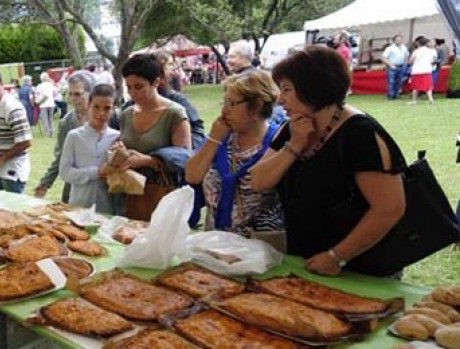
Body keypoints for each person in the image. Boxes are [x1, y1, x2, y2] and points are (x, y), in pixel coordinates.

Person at [251, 45, 406, 276]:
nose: (280, 100)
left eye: (287, 90)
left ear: (313, 88)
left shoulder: (360, 134)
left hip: (360, 266)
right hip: (306, 260)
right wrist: (293, 146)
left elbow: (389, 209)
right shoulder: (291, 128)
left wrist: (337, 256)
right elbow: (257, 181)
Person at [185, 71, 284, 234]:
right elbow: (192, 176)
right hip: (214, 242)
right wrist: (214, 139)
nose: (225, 111)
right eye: (224, 103)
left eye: (232, 103)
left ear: (257, 106)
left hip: (260, 246)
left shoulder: (276, 142)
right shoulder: (220, 139)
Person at [114, 53, 192, 220]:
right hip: (130, 194)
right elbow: (125, 145)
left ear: (156, 82)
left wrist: (148, 160)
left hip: (161, 195)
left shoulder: (174, 113)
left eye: (139, 87)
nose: (133, 93)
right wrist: (119, 152)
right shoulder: (126, 114)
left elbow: (185, 157)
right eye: (129, 87)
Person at [34, 70, 97, 201]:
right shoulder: (66, 123)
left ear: (92, 93)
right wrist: (45, 183)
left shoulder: (110, 118)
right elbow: (61, 157)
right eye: (71, 94)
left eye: (78, 94)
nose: (73, 99)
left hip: (101, 189)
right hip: (74, 187)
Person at [60, 84, 120, 215]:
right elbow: (65, 172)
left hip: (108, 208)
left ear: (114, 109)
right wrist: (96, 172)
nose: (101, 113)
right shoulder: (74, 136)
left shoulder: (117, 138)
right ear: (88, 105)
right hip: (79, 206)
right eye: (96, 107)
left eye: (107, 108)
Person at [0, 68, 33, 193]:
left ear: (2, 85)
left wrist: (2, 158)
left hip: (13, 170)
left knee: (13, 210)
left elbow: (26, 141)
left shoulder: (12, 107)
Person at [407, 37, 437, 105]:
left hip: (417, 70)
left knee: (415, 86)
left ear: (418, 44)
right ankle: (431, 100)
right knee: (428, 86)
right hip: (427, 70)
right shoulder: (431, 51)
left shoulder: (416, 51)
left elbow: (410, 61)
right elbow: (433, 60)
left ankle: (414, 100)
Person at [383, 34, 410, 100]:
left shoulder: (404, 47)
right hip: (392, 66)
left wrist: (405, 64)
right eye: (397, 39)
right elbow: (384, 58)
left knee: (399, 81)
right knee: (391, 81)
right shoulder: (390, 48)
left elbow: (407, 55)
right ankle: (390, 95)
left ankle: (395, 94)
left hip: (401, 66)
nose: (399, 41)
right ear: (394, 40)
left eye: (400, 39)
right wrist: (390, 65)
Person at [35, 72, 58, 137]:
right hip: (51, 103)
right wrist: (52, 97)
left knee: (45, 120)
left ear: (41, 79)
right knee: (50, 119)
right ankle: (52, 132)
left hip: (43, 104)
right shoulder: (51, 85)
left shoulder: (39, 86)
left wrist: (37, 102)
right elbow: (56, 93)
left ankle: (47, 133)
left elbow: (38, 95)